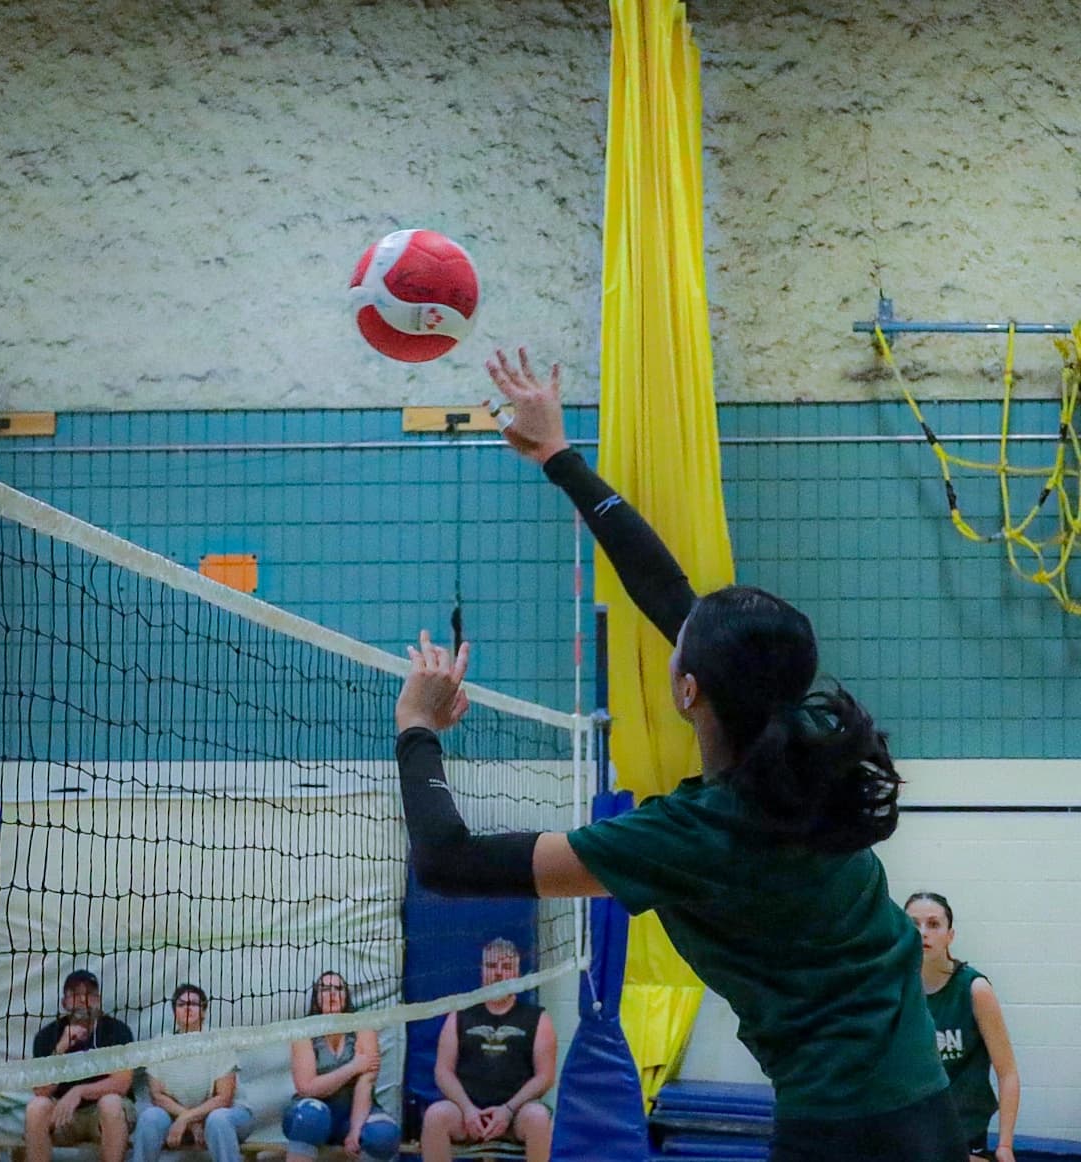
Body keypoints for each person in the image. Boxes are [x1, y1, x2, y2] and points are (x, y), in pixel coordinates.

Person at [393, 348, 967, 1162]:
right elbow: (666, 593)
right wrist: (561, 458)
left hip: (841, 1133)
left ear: (689, 690)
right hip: (923, 1114)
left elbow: (446, 861)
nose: (675, 628)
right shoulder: (806, 746)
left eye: (681, 648)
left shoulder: (690, 837)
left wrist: (415, 728)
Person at [906, 892, 1020, 1162]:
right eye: (913, 924)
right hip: (911, 1132)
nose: (923, 933)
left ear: (950, 935)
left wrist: (1004, 1146)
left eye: (933, 924)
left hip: (964, 1133)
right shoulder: (895, 989)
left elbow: (1008, 1073)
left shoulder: (974, 989)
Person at [420, 938, 555, 1162]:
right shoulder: (460, 1014)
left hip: (516, 1114)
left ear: (518, 973)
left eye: (506, 967)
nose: (499, 974)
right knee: (436, 1116)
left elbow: (545, 1077)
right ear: (482, 972)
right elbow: (443, 1071)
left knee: (539, 1117)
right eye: (492, 967)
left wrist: (508, 1110)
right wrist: (468, 1109)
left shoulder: (538, 1018)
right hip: (466, 1111)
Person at [282, 972, 399, 1162]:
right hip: (311, 1114)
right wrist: (353, 1067)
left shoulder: (363, 1027)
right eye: (325, 989)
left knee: (384, 1135)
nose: (332, 994)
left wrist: (355, 1130)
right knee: (311, 1117)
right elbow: (307, 1087)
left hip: (351, 1112)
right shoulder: (303, 1031)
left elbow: (365, 1083)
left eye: (338, 988)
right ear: (316, 998)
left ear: (346, 996)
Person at [132, 982, 254, 1162]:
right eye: (181, 1004)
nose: (187, 1008)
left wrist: (186, 1119)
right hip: (176, 1121)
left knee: (218, 1119)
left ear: (203, 1011)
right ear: (174, 1011)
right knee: (150, 1117)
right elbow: (157, 1096)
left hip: (227, 1117)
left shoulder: (219, 1041)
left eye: (194, 1004)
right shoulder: (160, 1044)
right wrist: (189, 1122)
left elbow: (224, 1098)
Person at [24, 969, 136, 1162]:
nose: (83, 1000)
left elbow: (122, 1084)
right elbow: (41, 1090)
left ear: (98, 1000)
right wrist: (61, 1048)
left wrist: (79, 1091)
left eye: (90, 994)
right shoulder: (48, 1035)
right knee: (36, 1107)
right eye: (75, 994)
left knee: (111, 1102)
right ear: (64, 1003)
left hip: (102, 1115)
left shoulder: (117, 1030)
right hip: (65, 1114)